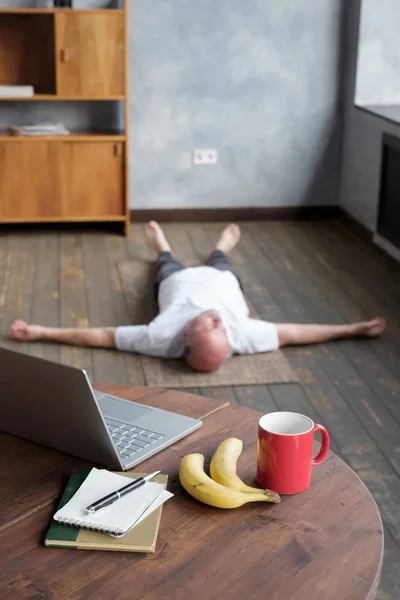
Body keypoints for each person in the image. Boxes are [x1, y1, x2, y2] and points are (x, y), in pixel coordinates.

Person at [11, 221, 386, 372]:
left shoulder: (158, 338)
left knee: (164, 264)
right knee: (223, 261)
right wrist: (353, 328)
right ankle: (221, 247)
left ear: (186, 335)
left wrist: (41, 331)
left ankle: (162, 245)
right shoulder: (242, 335)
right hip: (221, 277)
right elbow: (296, 333)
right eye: (220, 327)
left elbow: (102, 336)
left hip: (174, 281)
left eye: (213, 325)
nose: (219, 319)